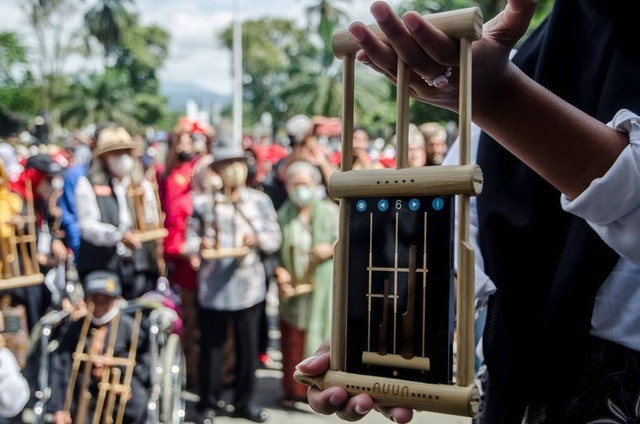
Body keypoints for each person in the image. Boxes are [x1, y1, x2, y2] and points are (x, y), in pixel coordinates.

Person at [296, 1, 640, 423]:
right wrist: (392, 333)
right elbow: (463, 224)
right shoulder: (541, 49)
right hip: (517, 381)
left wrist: (501, 99)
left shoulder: (509, 69)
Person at [185, 144, 281, 423]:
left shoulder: (258, 202)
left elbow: (274, 238)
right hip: (213, 285)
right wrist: (199, 245)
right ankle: (207, 402)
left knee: (247, 346)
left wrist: (256, 239)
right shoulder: (203, 203)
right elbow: (190, 239)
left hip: (249, 284)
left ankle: (244, 401)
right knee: (211, 347)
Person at [274, 160, 338, 407]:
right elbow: (276, 253)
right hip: (295, 289)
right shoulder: (283, 215)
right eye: (295, 184)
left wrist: (329, 249)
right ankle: (294, 391)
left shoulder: (329, 212)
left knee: (320, 337)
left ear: (315, 185)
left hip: (322, 289)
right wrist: (280, 272)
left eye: (305, 184)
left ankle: (320, 389)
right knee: (293, 338)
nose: (300, 189)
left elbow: (346, 241)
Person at [48, 271, 150, 424]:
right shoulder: (76, 328)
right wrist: (59, 407)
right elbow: (61, 366)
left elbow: (145, 364)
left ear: (116, 299)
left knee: (138, 402)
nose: (100, 305)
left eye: (106, 300)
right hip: (84, 392)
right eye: (94, 299)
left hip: (119, 389)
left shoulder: (129, 327)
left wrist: (121, 377)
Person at [75, 127, 160, 300]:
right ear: (104, 158)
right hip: (104, 266)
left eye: (125, 152)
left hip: (138, 266)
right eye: (115, 153)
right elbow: (88, 226)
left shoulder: (141, 185)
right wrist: (119, 236)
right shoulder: (88, 184)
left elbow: (152, 219)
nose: (122, 158)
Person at [156, 125, 199, 390]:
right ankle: (184, 375)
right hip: (177, 257)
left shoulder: (197, 173)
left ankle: (194, 375)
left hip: (194, 257)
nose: (184, 147)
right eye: (179, 142)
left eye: (188, 141)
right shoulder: (165, 174)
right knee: (183, 320)